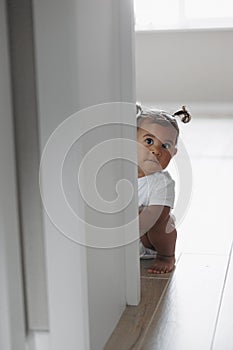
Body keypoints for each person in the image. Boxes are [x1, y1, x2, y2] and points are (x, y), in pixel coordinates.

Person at [137, 104, 191, 274]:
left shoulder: (162, 183)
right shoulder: (117, 171)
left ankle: (166, 256)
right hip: (125, 238)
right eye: (149, 141)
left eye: (165, 146)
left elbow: (155, 216)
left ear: (173, 153)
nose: (156, 150)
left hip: (149, 241)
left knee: (161, 223)